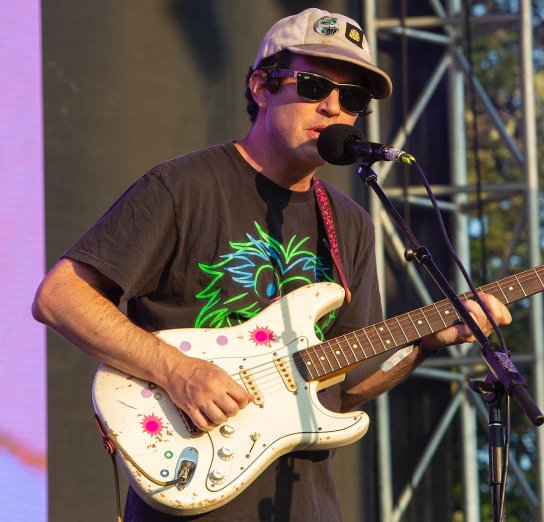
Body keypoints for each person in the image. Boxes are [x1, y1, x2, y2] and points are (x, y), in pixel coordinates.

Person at [32, 8, 511, 521]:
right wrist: (178, 371)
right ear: (262, 86)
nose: (332, 106)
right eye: (312, 85)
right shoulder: (182, 187)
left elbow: (344, 390)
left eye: (351, 98)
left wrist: (424, 344)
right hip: (189, 492)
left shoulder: (350, 223)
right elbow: (60, 297)